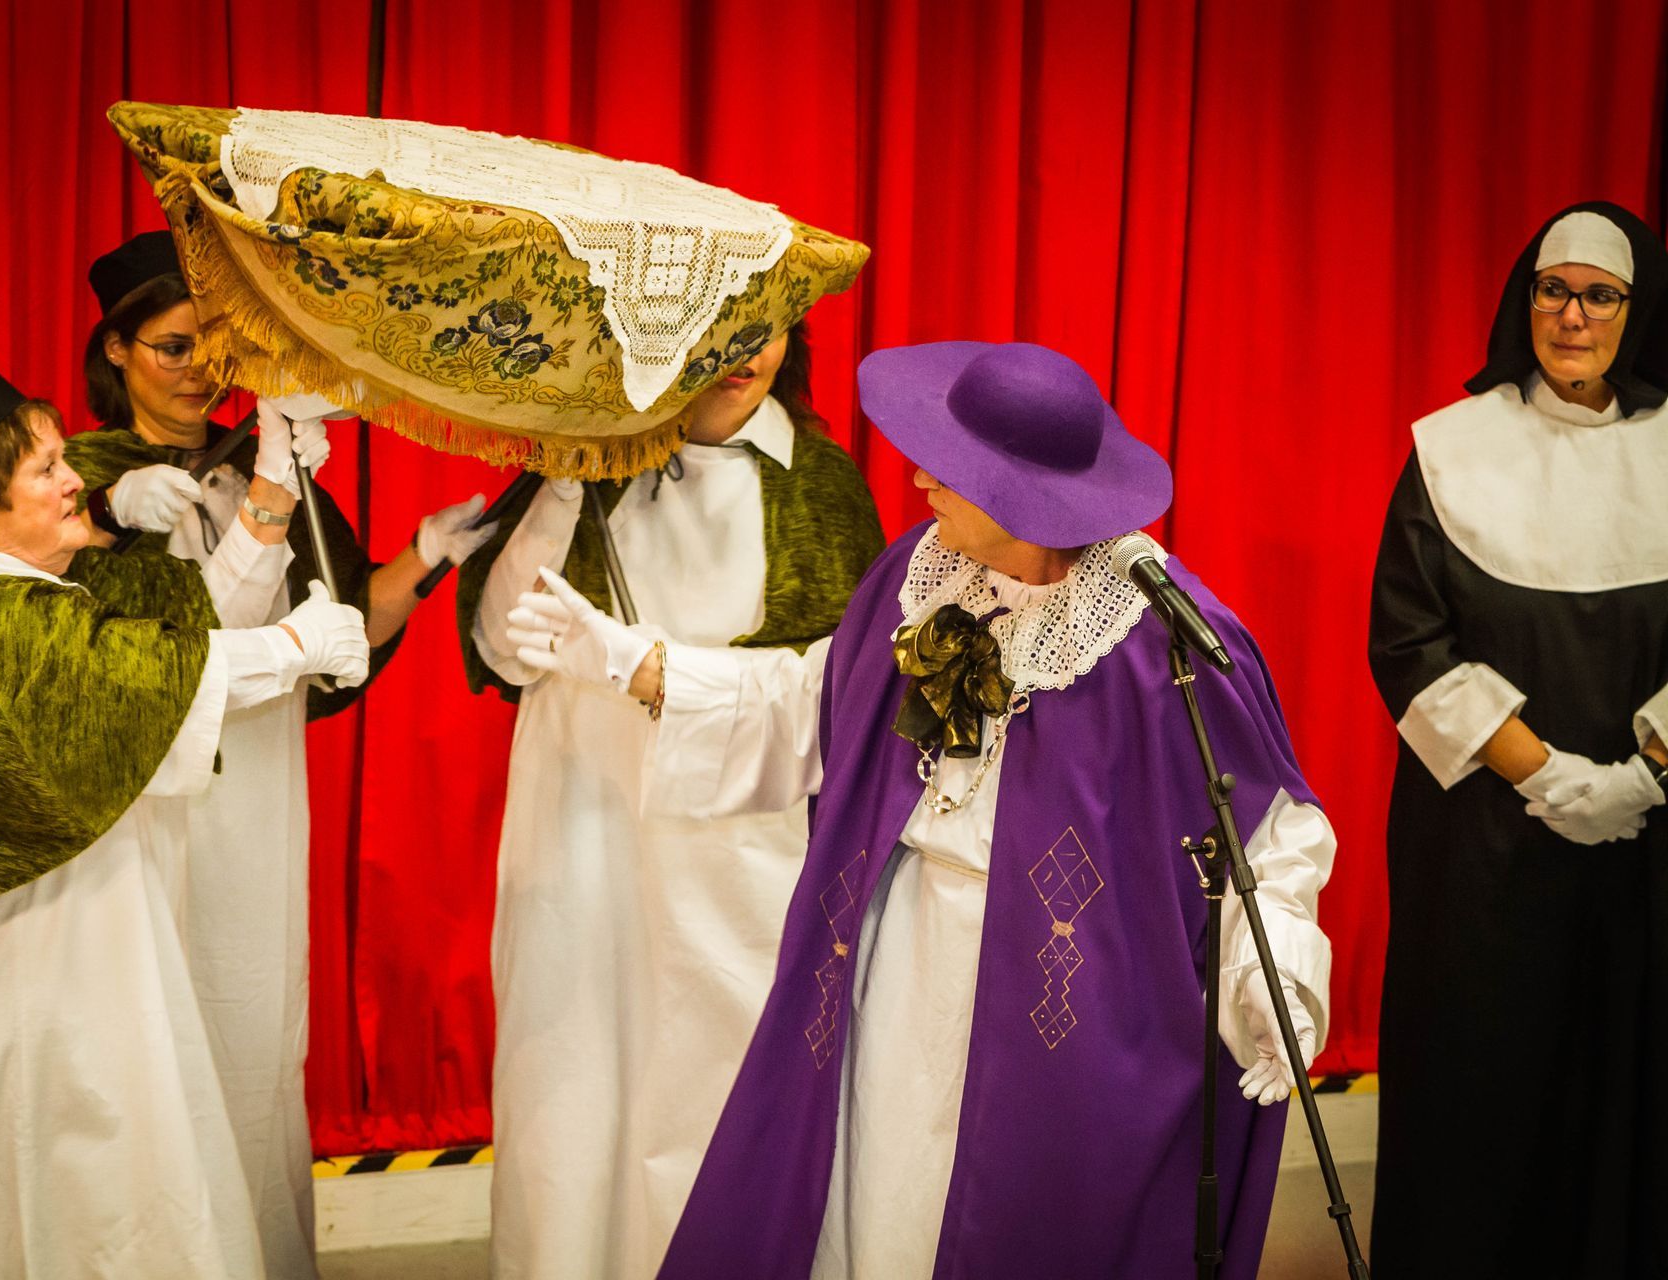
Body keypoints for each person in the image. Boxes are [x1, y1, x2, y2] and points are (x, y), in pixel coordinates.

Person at [510, 342, 1336, 1278]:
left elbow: (1267, 835)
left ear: (1025, 498)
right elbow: (818, 704)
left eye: (950, 468)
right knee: (878, 1205)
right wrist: (637, 664)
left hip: (1058, 1004)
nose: (917, 479)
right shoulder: (923, 572)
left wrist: (1277, 975)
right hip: (892, 965)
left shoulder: (1163, 641)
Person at [0, 366, 370, 1279]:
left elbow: (188, 623)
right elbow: (143, 679)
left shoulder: (18, 584)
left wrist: (274, 478)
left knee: (87, 1196)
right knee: (12, 1211)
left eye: (66, 461)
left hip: (45, 953)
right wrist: (295, 645)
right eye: (47, 471)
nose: (73, 483)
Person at [67, 230, 493, 1278]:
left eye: (215, 349)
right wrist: (263, 484)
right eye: (172, 348)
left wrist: (426, 555)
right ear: (115, 348)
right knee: (160, 1039)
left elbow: (341, 626)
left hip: (260, 803)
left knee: (257, 1033)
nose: (198, 372)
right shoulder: (86, 488)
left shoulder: (258, 464)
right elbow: (185, 661)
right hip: (155, 808)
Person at [457, 322, 886, 1279]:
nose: (747, 352)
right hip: (581, 810)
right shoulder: (581, 468)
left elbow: (841, 691)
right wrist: (565, 480)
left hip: (735, 825)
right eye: (722, 326)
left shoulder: (819, 480)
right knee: (572, 1068)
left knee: (718, 1065)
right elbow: (502, 646)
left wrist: (660, 673)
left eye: (768, 327)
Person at [1368, 201, 1668, 1275]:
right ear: (1523, 301)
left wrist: (1641, 776)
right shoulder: (1452, 450)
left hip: (1650, 840)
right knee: (1479, 1080)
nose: (1572, 316)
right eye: (1553, 290)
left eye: (1600, 295)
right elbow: (1409, 644)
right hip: (1483, 845)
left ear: (1638, 311)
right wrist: (1552, 778)